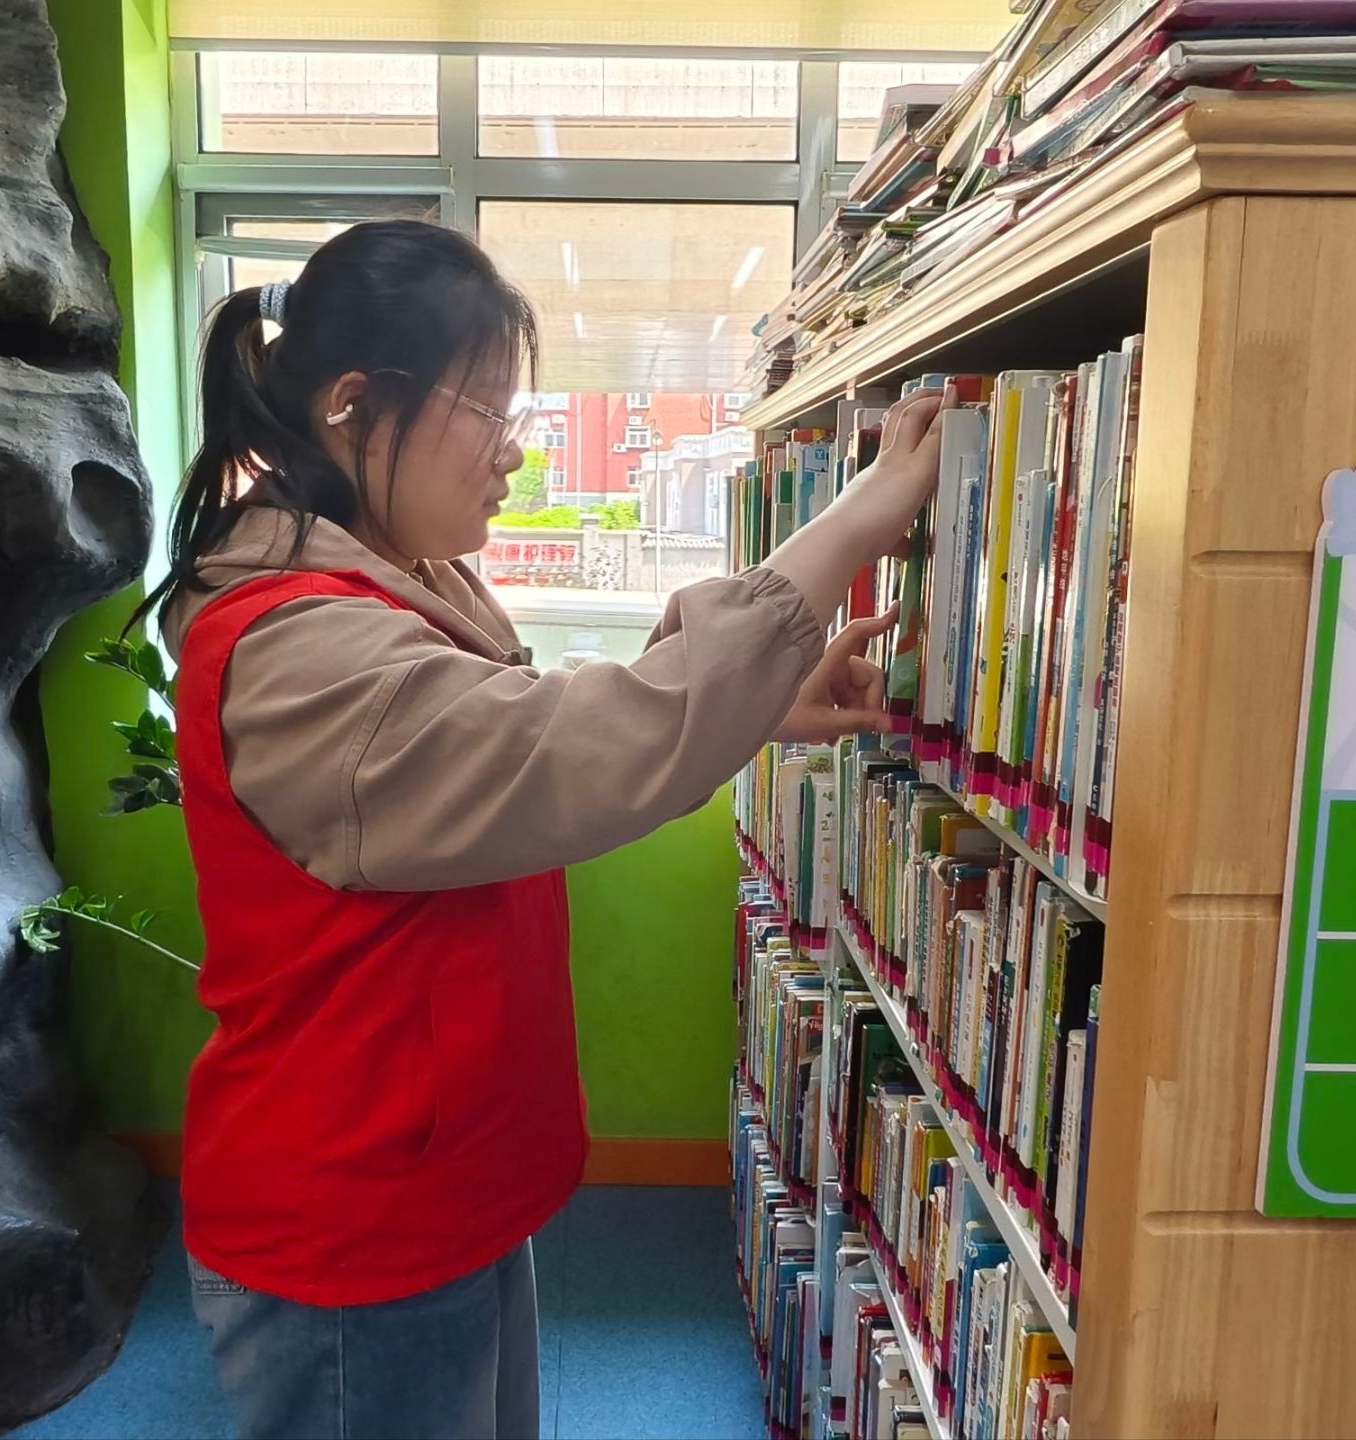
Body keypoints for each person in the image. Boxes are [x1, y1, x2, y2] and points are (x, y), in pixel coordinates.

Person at [144, 219, 945, 1440]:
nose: (512, 451)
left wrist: (757, 705)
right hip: (358, 1217)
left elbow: (520, 738)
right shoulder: (297, 645)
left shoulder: (402, 586)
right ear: (354, 406)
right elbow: (554, 750)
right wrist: (860, 518)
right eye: (485, 411)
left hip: (435, 1180)